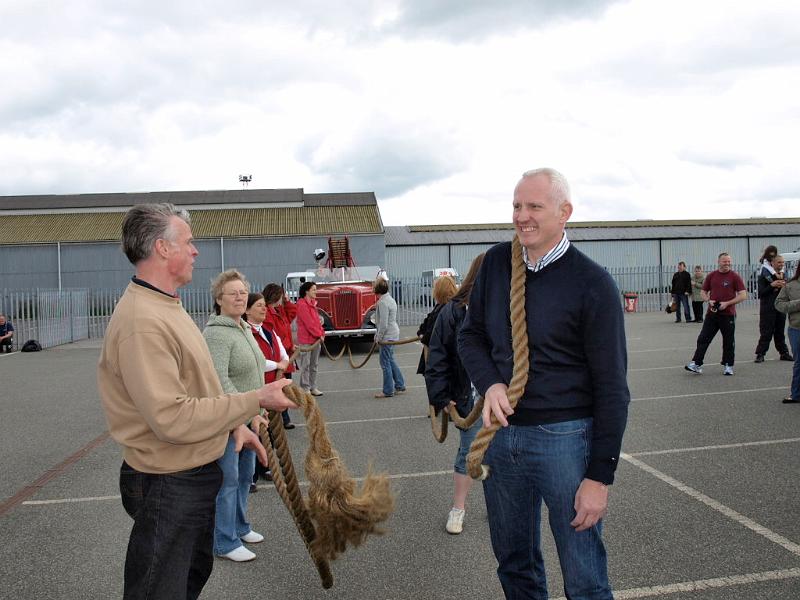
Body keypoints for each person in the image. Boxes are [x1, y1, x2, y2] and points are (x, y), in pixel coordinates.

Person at [97, 203, 295, 599]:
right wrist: (255, 399)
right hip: (168, 480)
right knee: (160, 589)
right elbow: (171, 417)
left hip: (187, 474)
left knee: (188, 576)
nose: (196, 250)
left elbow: (198, 387)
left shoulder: (165, 305)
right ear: (162, 248)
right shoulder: (143, 321)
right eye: (188, 242)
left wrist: (236, 424)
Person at [458, 168, 630, 599]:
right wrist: (492, 384)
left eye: (534, 206)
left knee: (584, 574)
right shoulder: (497, 263)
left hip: (566, 440)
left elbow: (612, 387)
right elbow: (470, 335)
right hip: (502, 435)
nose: (522, 216)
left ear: (564, 212)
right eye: (517, 205)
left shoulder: (593, 284)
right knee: (514, 565)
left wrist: (599, 477)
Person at [203, 270, 275, 562]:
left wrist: (258, 410)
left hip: (249, 418)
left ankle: (240, 526)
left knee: (246, 476)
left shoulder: (244, 328)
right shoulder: (216, 334)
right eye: (232, 293)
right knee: (228, 480)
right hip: (228, 422)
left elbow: (254, 373)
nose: (239, 297)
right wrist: (243, 415)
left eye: (243, 292)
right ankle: (225, 541)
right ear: (219, 299)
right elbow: (219, 380)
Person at [424, 253, 484, 535]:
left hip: (505, 399)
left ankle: (500, 506)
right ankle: (458, 508)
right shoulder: (453, 312)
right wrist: (441, 395)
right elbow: (438, 356)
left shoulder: (509, 307)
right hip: (469, 398)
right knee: (469, 452)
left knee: (505, 455)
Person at [685, 252, 747, 376]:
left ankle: (728, 366)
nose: (727, 264)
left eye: (729, 261)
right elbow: (703, 291)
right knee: (703, 339)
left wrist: (727, 303)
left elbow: (743, 295)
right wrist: (708, 300)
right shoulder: (712, 276)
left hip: (728, 314)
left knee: (728, 341)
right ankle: (696, 364)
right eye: (725, 261)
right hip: (712, 314)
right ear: (718, 261)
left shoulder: (734, 276)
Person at [262, 283, 298, 429]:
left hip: (285, 355)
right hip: (278, 357)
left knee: (285, 387)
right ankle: (282, 418)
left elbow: (293, 313)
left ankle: (284, 417)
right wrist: (285, 347)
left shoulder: (279, 311)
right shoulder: (268, 313)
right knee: (279, 388)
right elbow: (273, 334)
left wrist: (287, 301)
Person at [416, 275, 458, 375]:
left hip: (441, 361)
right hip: (441, 359)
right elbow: (425, 325)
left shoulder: (445, 311)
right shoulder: (440, 307)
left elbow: (431, 334)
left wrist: (423, 336)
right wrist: (421, 333)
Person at [754, 253, 793, 363]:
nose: (781, 264)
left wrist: (784, 286)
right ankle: (760, 354)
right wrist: (772, 285)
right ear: (772, 263)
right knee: (766, 332)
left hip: (781, 308)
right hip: (767, 308)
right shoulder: (764, 275)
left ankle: (783, 353)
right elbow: (760, 293)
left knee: (780, 331)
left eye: (783, 262)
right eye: (779, 262)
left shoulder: (784, 275)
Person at [373, 278, 406, 398]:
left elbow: (383, 324)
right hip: (393, 333)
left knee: (385, 363)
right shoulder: (389, 299)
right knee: (390, 360)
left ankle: (388, 390)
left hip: (387, 336)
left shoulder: (382, 302)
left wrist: (378, 337)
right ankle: (400, 385)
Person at [775, 267, 800, 403]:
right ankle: (796, 394)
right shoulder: (790, 285)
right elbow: (779, 305)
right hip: (797, 329)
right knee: (799, 363)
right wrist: (797, 304)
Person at [296, 281, 325, 396]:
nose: (315, 291)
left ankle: (313, 387)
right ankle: (305, 388)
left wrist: (322, 333)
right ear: (307, 291)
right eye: (313, 289)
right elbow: (309, 324)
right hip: (306, 341)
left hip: (316, 340)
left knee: (314, 365)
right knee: (306, 365)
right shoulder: (302, 305)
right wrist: (319, 334)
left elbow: (317, 322)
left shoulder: (313, 304)